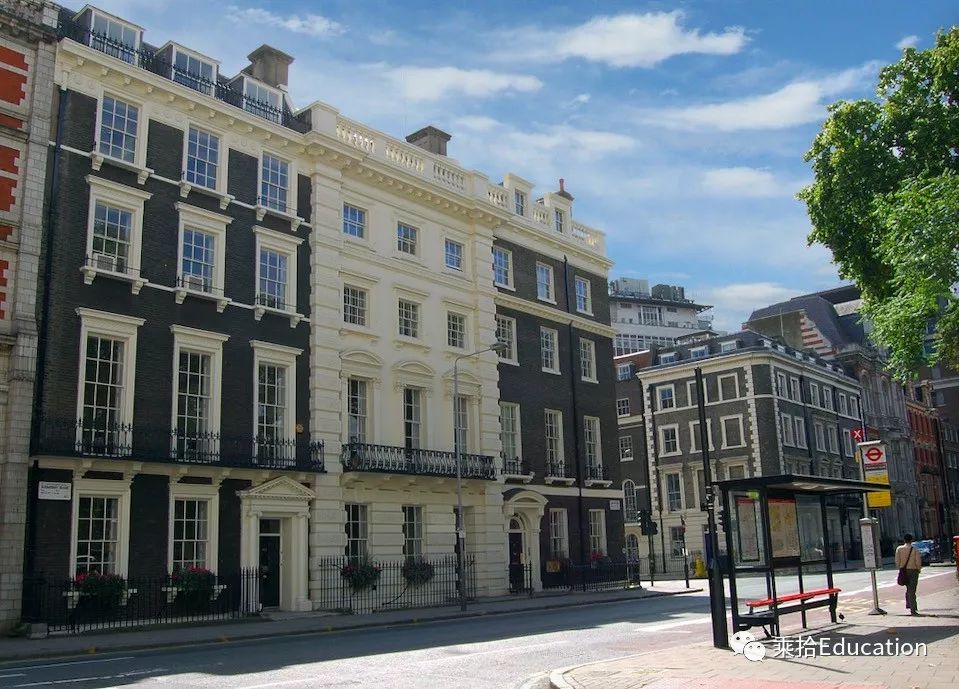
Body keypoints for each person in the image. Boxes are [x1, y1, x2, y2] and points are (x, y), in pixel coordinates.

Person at [895, 533, 923, 615]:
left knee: (908, 589)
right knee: (912, 590)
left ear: (904, 540)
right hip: (913, 570)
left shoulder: (899, 549)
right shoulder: (915, 549)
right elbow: (918, 561)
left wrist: (900, 568)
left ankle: (909, 604)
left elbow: (897, 561)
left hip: (904, 571)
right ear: (911, 540)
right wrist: (919, 569)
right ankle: (913, 609)